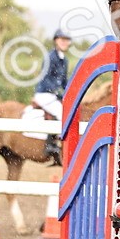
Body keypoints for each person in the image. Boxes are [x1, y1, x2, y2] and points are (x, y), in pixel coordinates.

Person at [33, 29, 72, 163]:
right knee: (61, 112)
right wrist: (57, 91)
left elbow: (64, 81)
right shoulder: (50, 57)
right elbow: (46, 78)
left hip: (54, 95)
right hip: (44, 93)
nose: (65, 42)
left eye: (67, 40)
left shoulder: (64, 60)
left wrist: (71, 93)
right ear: (56, 41)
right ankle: (50, 145)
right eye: (62, 39)